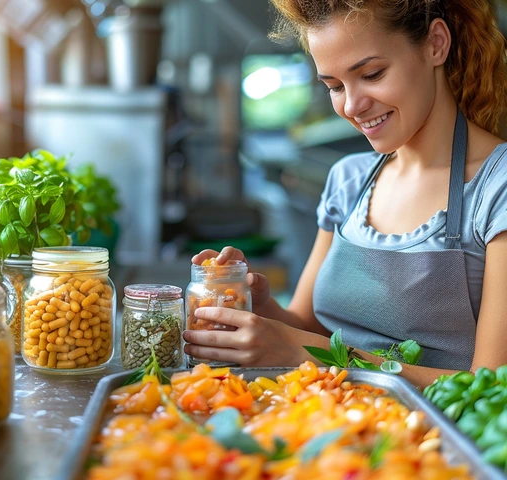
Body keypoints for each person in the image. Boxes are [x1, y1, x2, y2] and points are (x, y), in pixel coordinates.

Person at [184, 0, 507, 388]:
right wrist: (255, 301)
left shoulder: (496, 187)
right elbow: (306, 328)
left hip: (431, 441)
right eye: (334, 86)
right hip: (326, 424)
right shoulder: (349, 181)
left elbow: (491, 386)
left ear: (436, 44)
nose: (352, 106)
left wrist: (310, 355)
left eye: (371, 74)